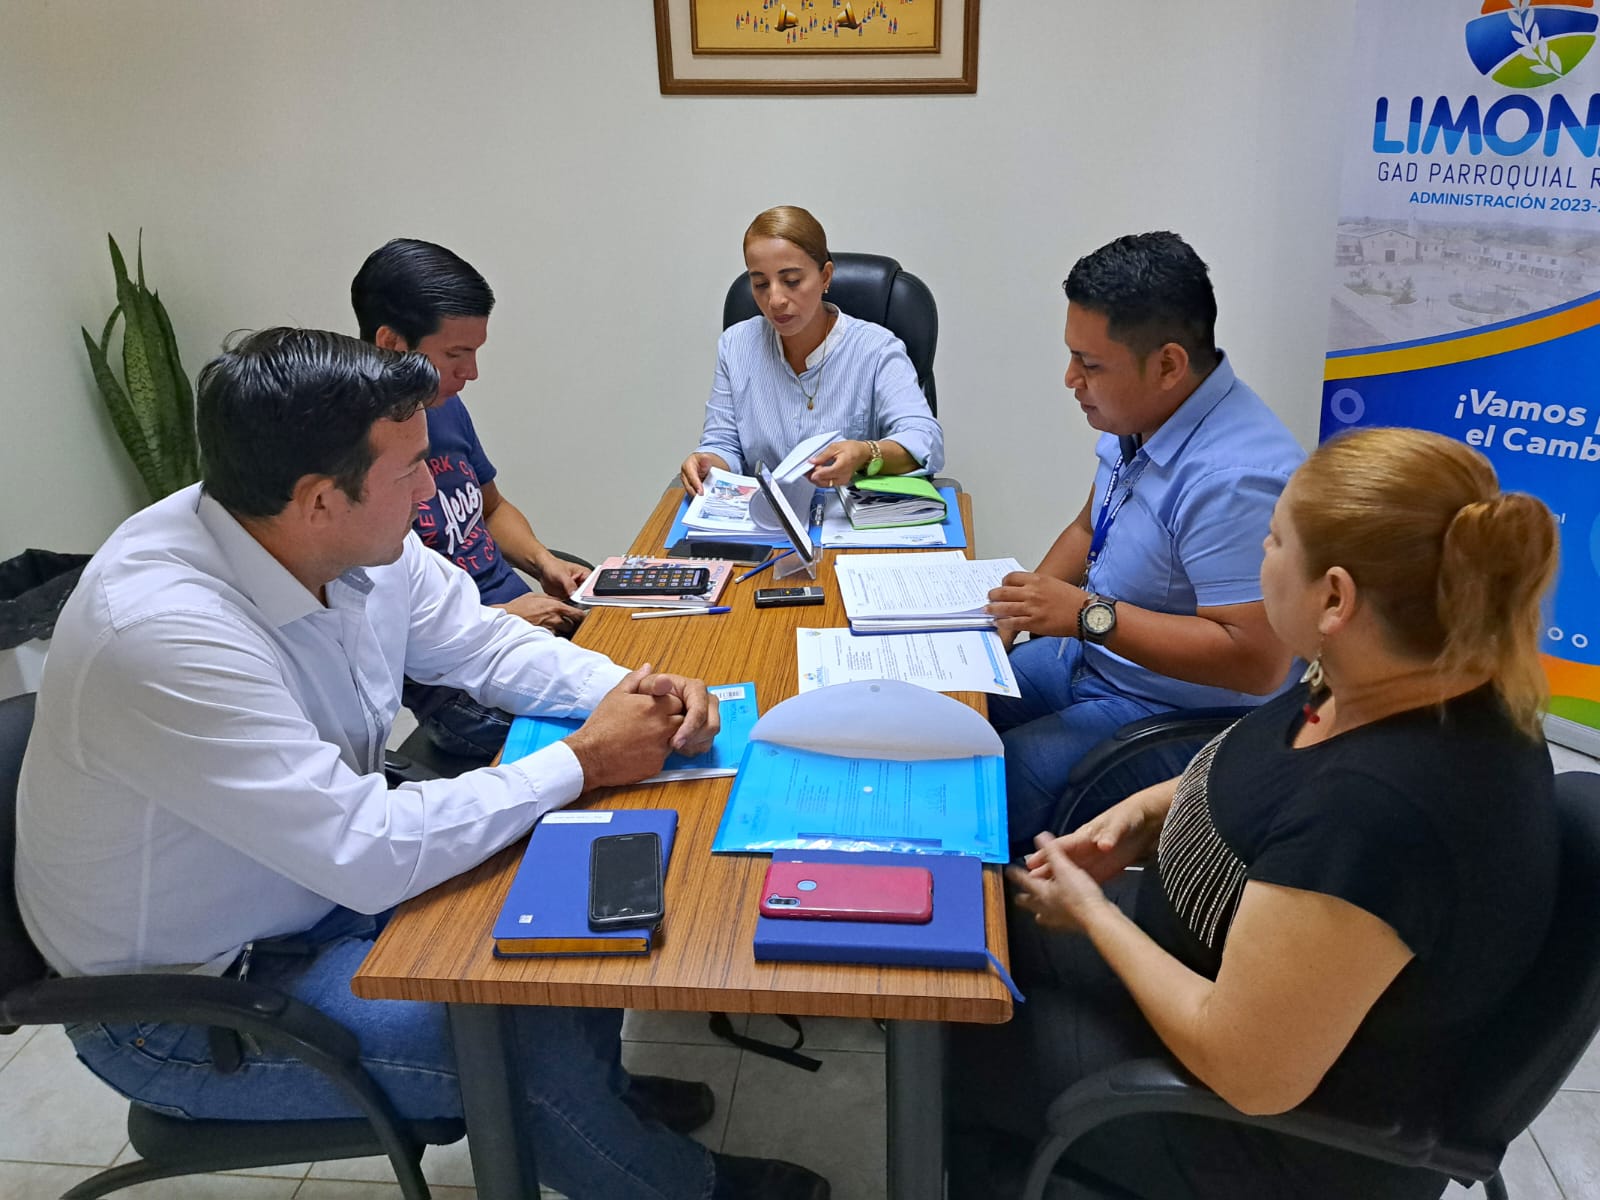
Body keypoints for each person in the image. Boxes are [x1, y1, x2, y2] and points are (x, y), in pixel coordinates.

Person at [14, 328, 829, 1200]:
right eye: (410, 470)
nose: (433, 486)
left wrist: (632, 689)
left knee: (583, 911)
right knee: (517, 1046)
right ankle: (671, 1180)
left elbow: (481, 644)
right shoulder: (164, 635)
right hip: (200, 993)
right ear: (320, 500)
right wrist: (583, 761)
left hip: (311, 888)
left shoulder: (319, 528)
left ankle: (602, 1106)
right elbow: (367, 851)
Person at [948, 427, 1561, 1200]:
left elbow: (1247, 1071)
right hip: (1197, 961)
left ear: (1335, 597)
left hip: (1252, 1137)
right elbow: (1260, 772)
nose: (1259, 561)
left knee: (951, 1040)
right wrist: (1142, 815)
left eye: (1272, 543)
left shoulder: (1381, 811)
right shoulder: (1377, 673)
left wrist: (1094, 916)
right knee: (970, 937)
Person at [985, 232, 1303, 843]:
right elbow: (1088, 527)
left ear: (1167, 366)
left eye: (1090, 364)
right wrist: (1018, 608)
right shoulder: (1142, 414)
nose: (1071, 379)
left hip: (1176, 711)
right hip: (1094, 661)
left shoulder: (1235, 480)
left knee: (984, 788)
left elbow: (1258, 663)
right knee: (951, 714)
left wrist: (1086, 615)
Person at [353, 238, 588, 762]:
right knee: (623, 734)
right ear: (392, 343)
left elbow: (492, 509)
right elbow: (382, 632)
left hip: (529, 632)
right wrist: (503, 616)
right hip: (460, 691)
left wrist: (543, 562)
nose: (472, 372)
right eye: (455, 355)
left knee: (659, 663)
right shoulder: (355, 456)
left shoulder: (442, 406)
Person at [678, 205, 945, 494]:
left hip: (848, 515)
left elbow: (925, 441)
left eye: (791, 281)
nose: (775, 300)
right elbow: (723, 444)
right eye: (760, 284)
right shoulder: (736, 345)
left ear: (825, 277)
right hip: (766, 516)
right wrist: (708, 462)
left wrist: (864, 453)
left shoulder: (876, 349)